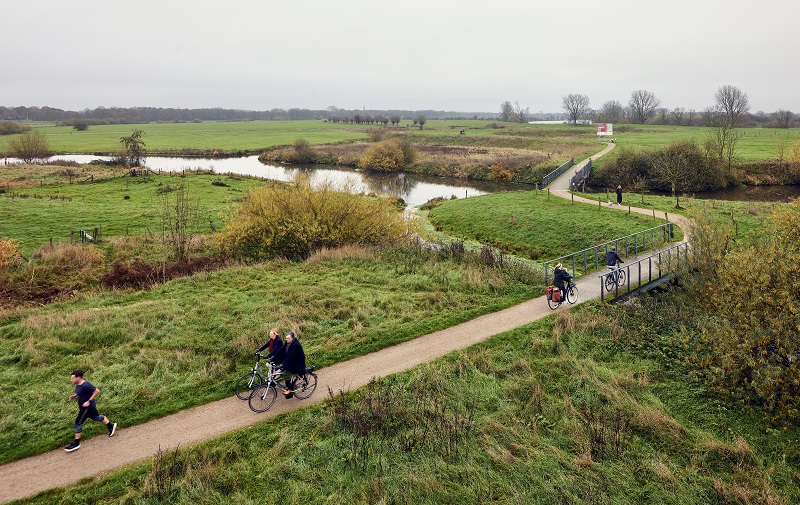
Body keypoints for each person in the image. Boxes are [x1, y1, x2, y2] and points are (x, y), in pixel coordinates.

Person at [65, 370, 117, 452]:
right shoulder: (78, 384)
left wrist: (89, 401)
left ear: (78, 378)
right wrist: (74, 396)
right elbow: (81, 392)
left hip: (87, 408)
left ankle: (76, 444)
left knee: (77, 424)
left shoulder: (86, 385)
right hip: (89, 407)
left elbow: (97, 391)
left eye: (72, 378)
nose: (71, 380)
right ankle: (111, 426)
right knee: (96, 417)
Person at [279, 331, 306, 398]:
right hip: (292, 362)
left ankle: (290, 389)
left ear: (292, 338)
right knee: (283, 372)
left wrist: (282, 364)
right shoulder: (288, 342)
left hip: (298, 364)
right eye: (286, 338)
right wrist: (273, 356)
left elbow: (290, 356)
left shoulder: (295, 345)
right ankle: (290, 386)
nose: (286, 339)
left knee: (285, 373)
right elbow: (281, 349)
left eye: (288, 338)